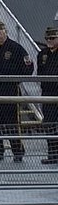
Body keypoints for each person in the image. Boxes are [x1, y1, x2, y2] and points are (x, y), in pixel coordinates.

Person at [0, 20, 33, 162]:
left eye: (0, 32)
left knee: (12, 121)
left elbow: (28, 66)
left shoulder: (15, 48)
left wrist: (17, 80)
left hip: (10, 90)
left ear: (5, 31)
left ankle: (18, 151)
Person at [38, 25, 58, 165]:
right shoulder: (43, 54)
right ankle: (53, 154)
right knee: (50, 125)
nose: (49, 40)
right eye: (47, 38)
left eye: (52, 38)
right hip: (47, 94)